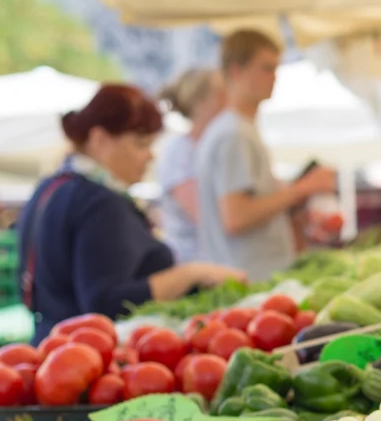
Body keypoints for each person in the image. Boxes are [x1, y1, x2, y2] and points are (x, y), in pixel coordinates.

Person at [16, 84, 245, 342]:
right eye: (140, 144)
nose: (150, 156)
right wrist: (192, 273)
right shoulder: (100, 202)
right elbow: (106, 304)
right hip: (90, 358)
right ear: (100, 139)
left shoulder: (51, 187)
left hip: (50, 348)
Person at [196, 29, 338, 281]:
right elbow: (236, 218)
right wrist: (302, 189)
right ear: (237, 71)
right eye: (266, 68)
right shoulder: (234, 134)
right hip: (253, 280)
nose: (274, 78)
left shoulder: (237, 130)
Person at [156, 68, 226, 262]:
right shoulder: (179, 152)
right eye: (221, 93)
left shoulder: (212, 147)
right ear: (201, 102)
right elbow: (205, 215)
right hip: (193, 263)